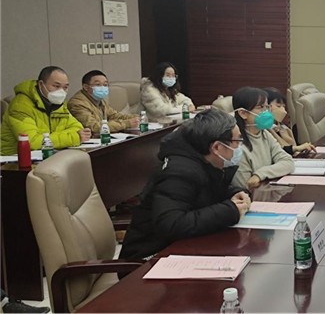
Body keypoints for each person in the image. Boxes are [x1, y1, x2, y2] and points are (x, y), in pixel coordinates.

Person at [119, 108, 251, 259]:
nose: (240, 147)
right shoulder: (178, 172)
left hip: (182, 247)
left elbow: (208, 193)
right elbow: (172, 224)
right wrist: (229, 211)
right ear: (216, 147)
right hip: (150, 257)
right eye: (237, 141)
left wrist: (236, 193)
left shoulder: (204, 161)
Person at [1, 66, 91, 155]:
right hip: (14, 159)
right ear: (41, 84)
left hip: (48, 155)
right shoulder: (20, 105)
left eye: (65, 87)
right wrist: (73, 137)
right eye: (56, 86)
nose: (61, 91)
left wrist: (49, 138)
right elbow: (32, 142)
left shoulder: (58, 104)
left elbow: (78, 128)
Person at [232, 87, 295, 190]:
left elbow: (288, 162)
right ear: (243, 113)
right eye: (260, 107)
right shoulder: (237, 145)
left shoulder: (264, 133)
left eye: (267, 107)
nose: (266, 112)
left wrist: (259, 174)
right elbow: (246, 187)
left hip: (267, 192)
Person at [67, 70, 140, 133]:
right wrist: (126, 124)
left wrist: (138, 118)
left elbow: (114, 116)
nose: (102, 88)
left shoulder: (98, 99)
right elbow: (94, 127)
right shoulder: (77, 103)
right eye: (98, 85)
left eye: (105, 85)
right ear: (86, 87)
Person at [264, 87, 316, 156]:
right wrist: (297, 148)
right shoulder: (263, 129)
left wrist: (301, 149)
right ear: (266, 108)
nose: (283, 111)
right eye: (278, 106)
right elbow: (275, 151)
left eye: (283, 106)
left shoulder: (283, 127)